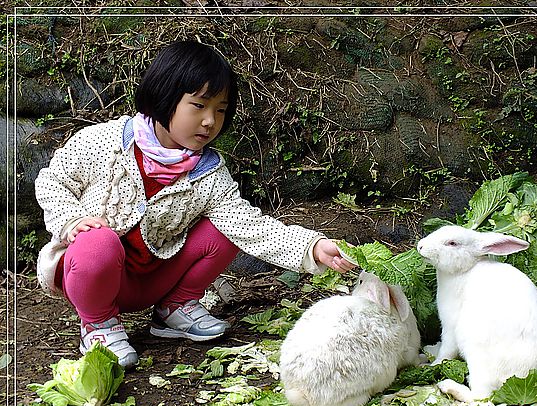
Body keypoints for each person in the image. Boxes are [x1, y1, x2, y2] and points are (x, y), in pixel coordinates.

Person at [35, 40, 355, 369]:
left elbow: (250, 227)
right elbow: (51, 181)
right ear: (164, 95)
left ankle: (173, 309)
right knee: (97, 241)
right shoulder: (103, 142)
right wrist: (71, 221)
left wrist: (312, 247)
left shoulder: (208, 173)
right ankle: (98, 325)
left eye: (220, 110)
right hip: (91, 275)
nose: (209, 121)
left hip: (150, 280)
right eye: (199, 106)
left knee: (227, 229)